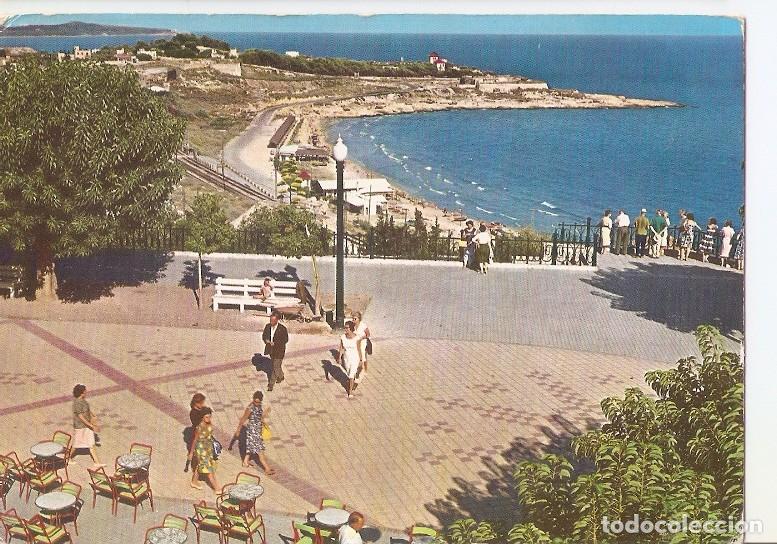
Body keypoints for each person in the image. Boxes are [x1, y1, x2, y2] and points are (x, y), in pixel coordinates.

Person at [233, 391, 275, 475]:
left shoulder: (259, 406)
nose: (256, 403)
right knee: (260, 450)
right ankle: (267, 468)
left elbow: (259, 417)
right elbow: (243, 419)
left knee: (251, 447)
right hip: (253, 432)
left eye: (258, 402)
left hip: (257, 430)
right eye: (255, 401)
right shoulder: (250, 408)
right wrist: (238, 430)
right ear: (253, 399)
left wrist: (265, 413)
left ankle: (245, 462)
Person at [72, 384, 104, 469]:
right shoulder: (78, 403)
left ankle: (97, 462)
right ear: (81, 393)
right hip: (81, 426)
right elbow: (80, 416)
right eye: (85, 391)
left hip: (86, 426)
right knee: (76, 444)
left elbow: (87, 410)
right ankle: (67, 458)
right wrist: (91, 425)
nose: (86, 392)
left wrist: (93, 415)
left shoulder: (82, 400)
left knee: (91, 444)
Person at [188, 407, 219, 491]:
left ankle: (194, 482)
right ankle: (217, 489)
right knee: (208, 468)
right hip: (201, 449)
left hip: (208, 448)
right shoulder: (199, 427)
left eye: (209, 417)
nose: (208, 419)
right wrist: (191, 453)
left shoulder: (209, 424)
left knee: (202, 465)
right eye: (206, 417)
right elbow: (195, 440)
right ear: (202, 417)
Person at [337, 320, 365, 398]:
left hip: (355, 358)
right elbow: (341, 348)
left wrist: (360, 360)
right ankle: (354, 380)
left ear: (351, 328)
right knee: (348, 372)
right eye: (344, 328)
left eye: (347, 328)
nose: (345, 329)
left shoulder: (357, 338)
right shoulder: (343, 337)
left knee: (351, 375)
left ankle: (350, 392)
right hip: (346, 358)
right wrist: (339, 357)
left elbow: (359, 349)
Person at [262, 311, 289, 391]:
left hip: (279, 351)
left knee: (275, 366)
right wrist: (266, 340)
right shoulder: (267, 326)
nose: (271, 322)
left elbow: (285, 340)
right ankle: (281, 376)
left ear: (277, 320)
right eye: (271, 320)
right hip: (271, 350)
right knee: (276, 365)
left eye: (273, 321)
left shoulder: (282, 329)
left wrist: (276, 343)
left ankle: (271, 384)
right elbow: (264, 336)